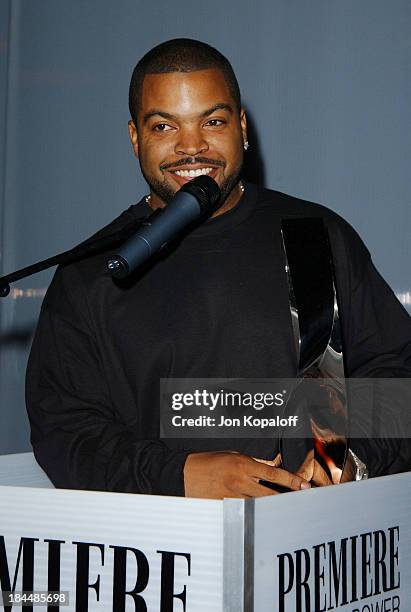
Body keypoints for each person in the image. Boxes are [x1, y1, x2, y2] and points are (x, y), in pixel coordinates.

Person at [26, 38, 411, 499]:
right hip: (166, 554)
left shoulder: (315, 235)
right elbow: (66, 432)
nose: (192, 147)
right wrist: (181, 475)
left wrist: (350, 456)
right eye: (165, 126)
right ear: (135, 138)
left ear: (242, 127)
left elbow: (397, 380)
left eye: (212, 121)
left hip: (311, 550)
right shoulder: (92, 272)